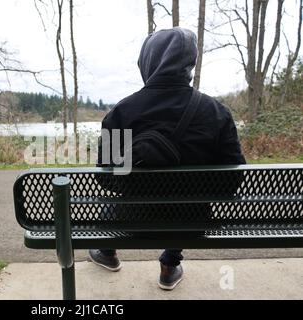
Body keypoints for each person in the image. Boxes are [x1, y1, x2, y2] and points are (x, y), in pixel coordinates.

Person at [89, 27, 246, 291]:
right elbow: (233, 179)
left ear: (149, 61)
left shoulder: (121, 112)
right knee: (185, 206)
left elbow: (107, 179)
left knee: (117, 205)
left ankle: (107, 252)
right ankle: (170, 264)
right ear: (189, 64)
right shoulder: (216, 113)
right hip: (191, 223)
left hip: (131, 220)